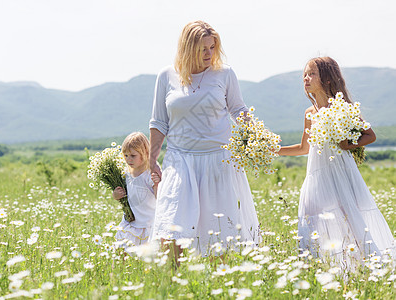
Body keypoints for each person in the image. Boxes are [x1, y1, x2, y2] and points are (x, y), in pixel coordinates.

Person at [149, 20, 261, 258]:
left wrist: (258, 137)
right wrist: (151, 159)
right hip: (180, 161)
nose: (209, 53)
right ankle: (172, 283)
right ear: (188, 48)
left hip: (218, 161)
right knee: (172, 225)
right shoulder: (166, 76)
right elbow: (159, 122)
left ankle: (217, 284)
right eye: (202, 48)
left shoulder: (225, 74)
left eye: (212, 47)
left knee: (218, 226)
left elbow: (238, 110)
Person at [278, 56, 395, 266]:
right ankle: (314, 265)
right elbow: (304, 148)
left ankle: (366, 264)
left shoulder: (342, 107)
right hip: (316, 174)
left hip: (340, 172)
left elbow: (370, 135)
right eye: (304, 74)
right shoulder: (309, 114)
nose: (306, 78)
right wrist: (274, 150)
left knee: (348, 215)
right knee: (311, 215)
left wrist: (347, 145)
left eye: (312, 73)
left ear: (328, 79)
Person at [112, 132, 159, 246]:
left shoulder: (149, 174)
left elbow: (159, 197)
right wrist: (116, 195)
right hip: (130, 222)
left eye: (133, 156)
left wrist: (157, 183)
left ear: (145, 153)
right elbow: (122, 195)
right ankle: (119, 264)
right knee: (121, 247)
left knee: (146, 254)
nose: (129, 159)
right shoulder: (126, 174)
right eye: (126, 156)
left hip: (146, 222)